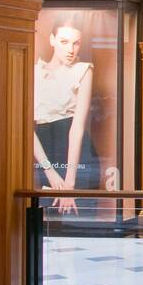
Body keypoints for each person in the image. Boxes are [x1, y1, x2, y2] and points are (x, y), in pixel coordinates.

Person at [33, 16, 98, 215]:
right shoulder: (34, 71)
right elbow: (25, 127)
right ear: (52, 40)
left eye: (76, 43)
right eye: (64, 42)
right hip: (42, 151)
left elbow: (77, 128)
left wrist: (70, 182)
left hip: (74, 153)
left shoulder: (82, 70)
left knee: (79, 219)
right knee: (44, 221)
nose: (71, 49)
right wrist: (49, 171)